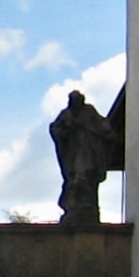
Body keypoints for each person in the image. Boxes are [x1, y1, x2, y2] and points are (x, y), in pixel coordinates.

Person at [49, 89, 117, 226]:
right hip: (73, 152)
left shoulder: (89, 112)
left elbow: (102, 125)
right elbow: (55, 128)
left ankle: (86, 205)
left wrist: (105, 132)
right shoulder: (66, 114)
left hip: (90, 151)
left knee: (86, 177)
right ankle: (74, 204)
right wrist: (67, 130)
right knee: (76, 177)